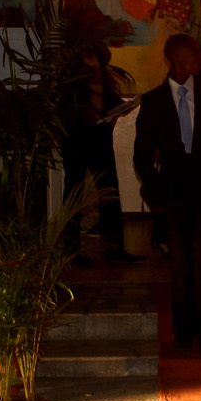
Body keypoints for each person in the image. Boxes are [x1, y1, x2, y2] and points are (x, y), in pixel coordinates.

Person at [132, 34, 201, 357]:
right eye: (193, 55)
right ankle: (183, 334)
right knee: (180, 269)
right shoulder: (154, 101)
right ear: (178, 60)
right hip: (175, 197)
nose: (200, 59)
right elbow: (141, 155)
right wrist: (156, 195)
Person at [62, 40, 138, 263]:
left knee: (109, 190)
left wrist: (119, 107)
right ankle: (71, 249)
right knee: (74, 190)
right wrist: (82, 114)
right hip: (76, 137)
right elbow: (66, 102)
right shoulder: (72, 68)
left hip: (100, 136)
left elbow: (107, 96)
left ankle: (113, 246)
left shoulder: (102, 70)